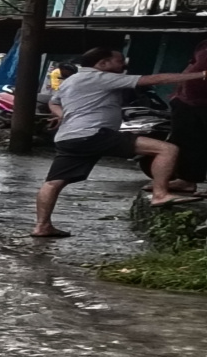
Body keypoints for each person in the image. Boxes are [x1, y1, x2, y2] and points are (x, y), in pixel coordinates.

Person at [33, 47, 207, 238]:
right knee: (167, 149)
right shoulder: (101, 77)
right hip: (96, 134)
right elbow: (155, 79)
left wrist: (65, 116)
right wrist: (200, 74)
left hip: (69, 138)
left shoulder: (71, 80)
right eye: (119, 60)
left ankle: (42, 226)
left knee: (52, 183)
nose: (124, 64)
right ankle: (160, 194)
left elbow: (54, 102)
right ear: (103, 64)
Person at [165, 40, 207, 197]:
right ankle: (187, 180)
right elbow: (191, 65)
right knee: (186, 140)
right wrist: (178, 92)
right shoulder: (203, 44)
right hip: (187, 101)